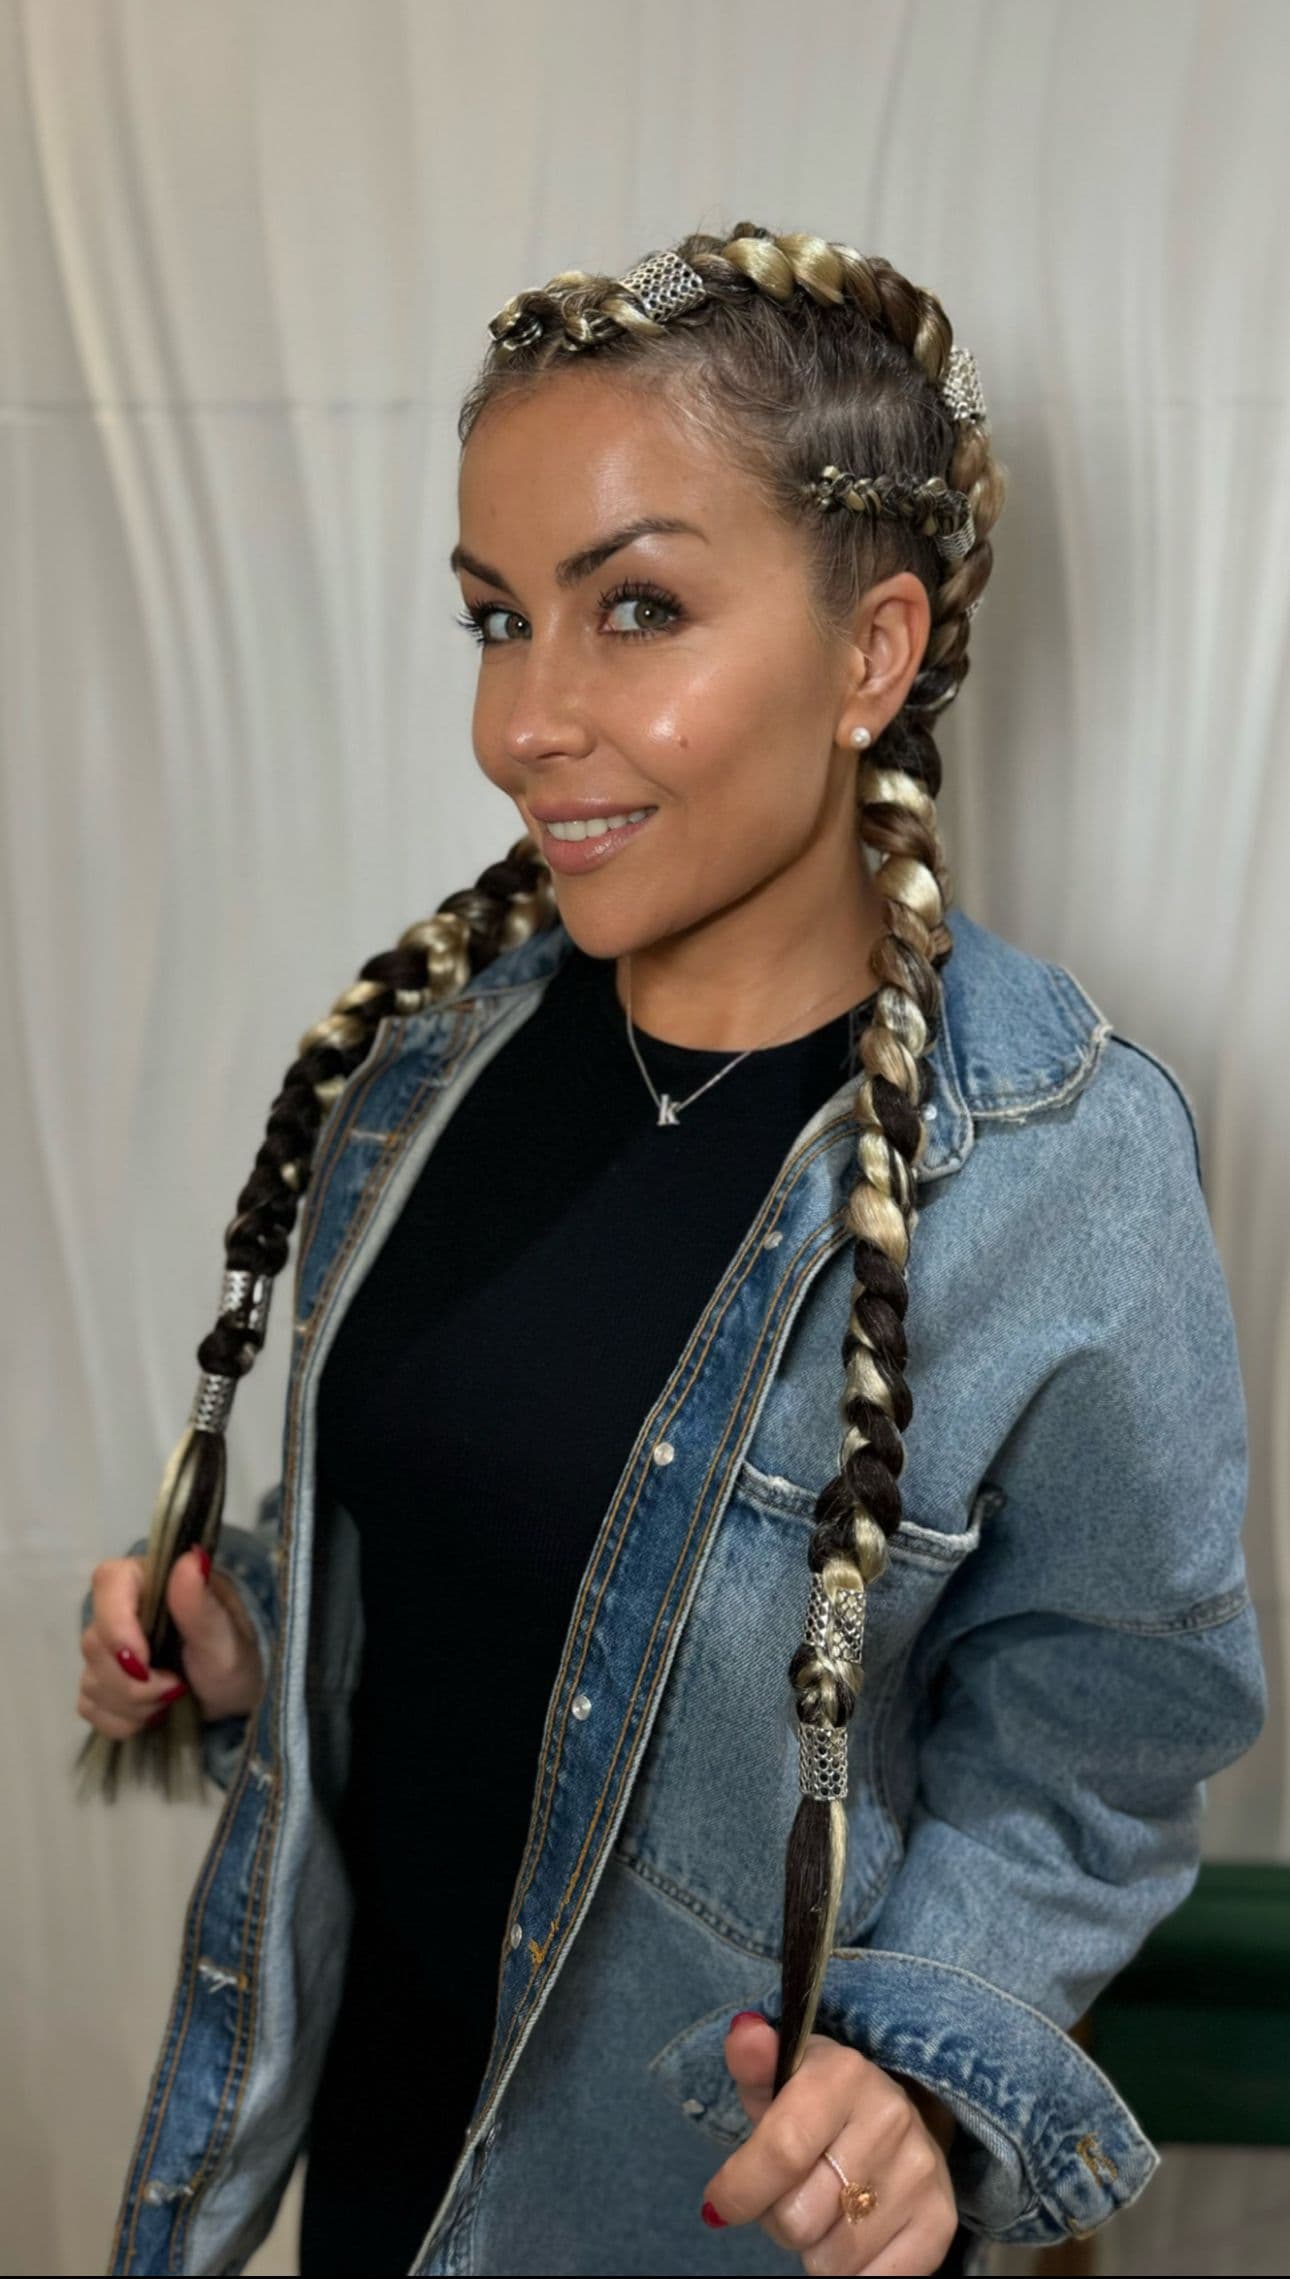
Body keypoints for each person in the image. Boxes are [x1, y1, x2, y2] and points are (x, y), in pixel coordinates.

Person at [75, 223, 1267, 2279]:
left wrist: (920, 2067)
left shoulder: (1057, 1162)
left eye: (635, 610)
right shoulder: (430, 1068)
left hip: (695, 2216)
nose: (523, 723)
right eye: (491, 618)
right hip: (367, 2179)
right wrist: (254, 1625)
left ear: (872, 653)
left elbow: (1103, 1741)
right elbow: (475, 1538)